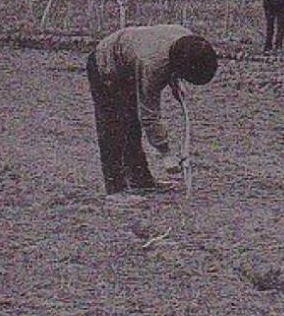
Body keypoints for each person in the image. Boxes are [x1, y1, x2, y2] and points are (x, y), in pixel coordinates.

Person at [86, 24, 218, 198]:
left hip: (130, 63)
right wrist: (165, 153)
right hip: (105, 66)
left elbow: (173, 64)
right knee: (113, 128)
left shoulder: (187, 39)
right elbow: (149, 115)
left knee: (132, 127)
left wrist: (175, 83)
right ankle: (115, 189)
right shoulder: (152, 64)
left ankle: (142, 181)